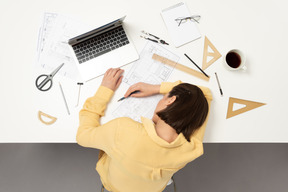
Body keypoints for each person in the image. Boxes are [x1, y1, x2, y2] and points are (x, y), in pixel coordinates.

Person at [76, 68, 212, 192]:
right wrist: (159, 90)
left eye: (165, 97)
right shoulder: (193, 148)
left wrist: (104, 91)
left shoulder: (123, 130)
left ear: (170, 101)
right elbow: (205, 94)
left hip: (114, 186)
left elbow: (82, 136)